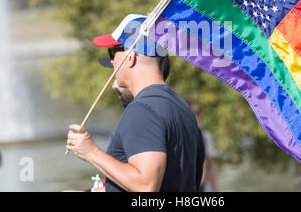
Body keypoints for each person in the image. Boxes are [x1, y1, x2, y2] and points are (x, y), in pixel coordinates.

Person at [66, 14, 204, 192]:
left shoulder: (142, 110)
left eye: (113, 51)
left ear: (130, 57)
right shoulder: (182, 108)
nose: (112, 61)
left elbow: (146, 185)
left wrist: (91, 152)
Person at [187, 100, 219, 192]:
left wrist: (215, 189)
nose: (198, 115)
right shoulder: (180, 137)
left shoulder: (206, 136)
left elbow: (210, 166)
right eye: (194, 113)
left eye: (199, 112)